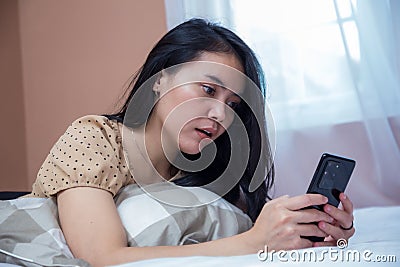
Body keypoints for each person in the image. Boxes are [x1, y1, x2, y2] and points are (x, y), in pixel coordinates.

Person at [26, 19, 355, 266]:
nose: (220, 114)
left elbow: (249, 234)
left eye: (234, 104)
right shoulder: (93, 138)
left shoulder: (211, 165)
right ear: (160, 79)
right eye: (209, 90)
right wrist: (254, 242)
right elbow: (103, 257)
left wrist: (307, 234)